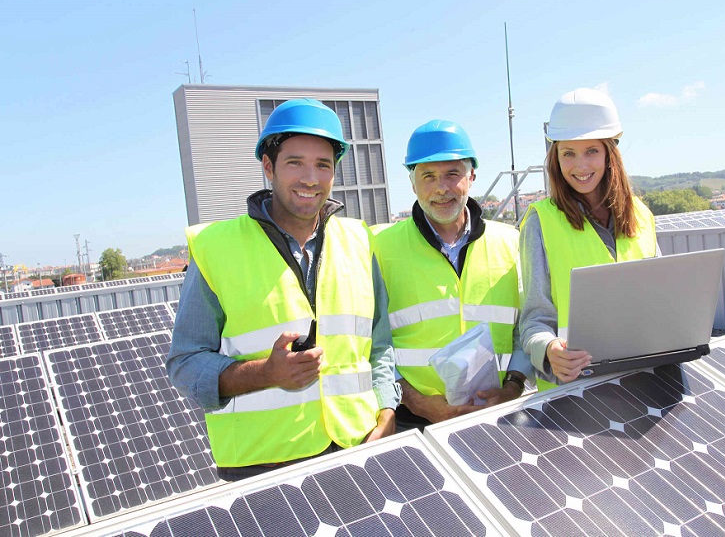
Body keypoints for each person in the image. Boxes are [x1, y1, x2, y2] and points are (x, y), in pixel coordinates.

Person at [167, 98, 399, 481]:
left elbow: (379, 346)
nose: (310, 178)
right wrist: (266, 373)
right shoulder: (215, 249)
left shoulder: (360, 241)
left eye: (323, 164)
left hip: (359, 450)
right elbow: (185, 363)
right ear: (268, 166)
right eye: (295, 163)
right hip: (262, 468)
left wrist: (387, 412)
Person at [373, 119, 532, 430]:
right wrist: (417, 402)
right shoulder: (380, 248)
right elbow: (372, 344)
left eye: (452, 174)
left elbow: (524, 327)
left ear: (471, 177)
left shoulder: (511, 243)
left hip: (499, 413)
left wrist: (513, 386)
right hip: (412, 421)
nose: (441, 188)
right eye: (428, 176)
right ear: (412, 183)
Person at [520, 88, 659, 389]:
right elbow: (533, 321)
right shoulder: (540, 222)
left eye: (592, 151)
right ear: (556, 158)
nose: (580, 166)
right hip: (574, 391)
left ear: (610, 153)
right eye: (568, 153)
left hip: (644, 379)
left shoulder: (642, 215)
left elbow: (663, 300)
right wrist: (549, 349)